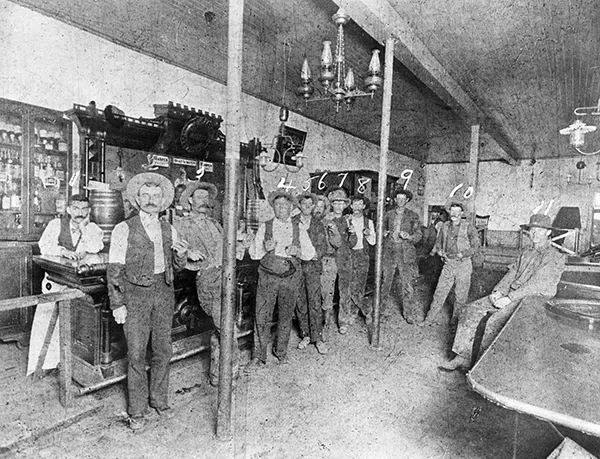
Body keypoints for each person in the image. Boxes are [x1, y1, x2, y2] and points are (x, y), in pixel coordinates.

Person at [107, 173, 188, 431]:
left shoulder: (169, 229)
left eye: (156, 196)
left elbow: (177, 267)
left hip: (164, 293)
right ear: (137, 199)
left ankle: (159, 400)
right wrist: (117, 303)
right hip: (135, 296)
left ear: (163, 200)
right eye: (146, 196)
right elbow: (114, 270)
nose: (151, 201)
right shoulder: (124, 229)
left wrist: (182, 256)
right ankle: (137, 410)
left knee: (163, 350)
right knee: (137, 353)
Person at [439, 213, 566, 372]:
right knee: (470, 309)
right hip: (512, 295)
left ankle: (482, 368)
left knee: (493, 321)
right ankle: (462, 357)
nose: (534, 234)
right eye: (532, 230)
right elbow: (511, 273)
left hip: (531, 301)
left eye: (539, 230)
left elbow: (536, 285)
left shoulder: (555, 257)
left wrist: (509, 298)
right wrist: (498, 291)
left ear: (548, 233)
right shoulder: (526, 252)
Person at [174, 181, 245, 386]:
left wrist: (239, 244)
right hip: (207, 279)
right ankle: (228, 375)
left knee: (221, 328)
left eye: (206, 197)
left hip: (225, 276)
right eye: (199, 197)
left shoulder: (215, 223)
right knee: (227, 327)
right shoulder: (182, 224)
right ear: (189, 200)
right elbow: (172, 246)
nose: (204, 201)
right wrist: (187, 252)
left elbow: (225, 247)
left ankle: (216, 374)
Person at [28, 194, 104, 375]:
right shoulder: (56, 224)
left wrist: (84, 228)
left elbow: (95, 247)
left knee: (75, 322)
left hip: (76, 282)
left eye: (84, 209)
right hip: (55, 279)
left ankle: (67, 365)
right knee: (46, 320)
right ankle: (42, 366)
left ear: (89, 211)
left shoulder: (92, 228)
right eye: (76, 208)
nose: (80, 212)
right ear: (69, 209)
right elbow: (44, 246)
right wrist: (63, 251)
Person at [247, 189, 315, 370]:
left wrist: (298, 252)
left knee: (285, 315)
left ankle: (281, 352)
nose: (281, 208)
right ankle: (259, 357)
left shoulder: (298, 227)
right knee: (262, 316)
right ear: (273, 207)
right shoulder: (265, 226)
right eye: (278, 205)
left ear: (291, 207)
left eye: (285, 205)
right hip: (268, 276)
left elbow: (310, 254)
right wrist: (264, 247)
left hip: (290, 277)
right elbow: (254, 254)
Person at [424, 202, 480, 325]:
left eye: (457, 211)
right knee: (439, 292)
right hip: (448, 264)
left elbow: (476, 246)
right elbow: (438, 243)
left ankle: (455, 321)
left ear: (462, 213)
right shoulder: (444, 226)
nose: (454, 214)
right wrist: (439, 252)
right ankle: (429, 319)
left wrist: (463, 254)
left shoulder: (469, 227)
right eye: (452, 211)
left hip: (463, 265)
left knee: (461, 296)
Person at [294, 192, 329, 355]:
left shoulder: (318, 223)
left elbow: (323, 246)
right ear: (299, 205)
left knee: (314, 302)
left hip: (313, 267)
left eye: (310, 204)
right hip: (297, 267)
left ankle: (317, 338)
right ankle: (305, 334)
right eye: (304, 204)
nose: (307, 207)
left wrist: (317, 254)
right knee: (301, 302)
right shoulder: (293, 222)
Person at [381, 189, 423, 323]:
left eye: (402, 199)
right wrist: (384, 233)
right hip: (390, 251)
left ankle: (408, 313)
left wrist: (409, 236)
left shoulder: (413, 216)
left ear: (407, 200)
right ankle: (380, 311)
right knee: (385, 283)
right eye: (397, 198)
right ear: (394, 200)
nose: (400, 201)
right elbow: (379, 229)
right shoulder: (388, 214)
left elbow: (418, 235)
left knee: (407, 284)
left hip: (405, 252)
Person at [321, 187, 357, 335]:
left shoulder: (348, 220)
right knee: (327, 292)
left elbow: (353, 243)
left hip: (345, 259)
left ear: (345, 205)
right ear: (331, 204)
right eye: (336, 203)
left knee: (344, 291)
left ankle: (343, 321)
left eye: (342, 204)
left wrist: (353, 233)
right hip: (329, 259)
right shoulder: (326, 220)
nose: (339, 207)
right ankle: (326, 322)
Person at [345, 195, 376, 329]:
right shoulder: (346, 220)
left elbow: (373, 242)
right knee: (349, 287)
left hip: (362, 256)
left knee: (359, 286)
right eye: (354, 204)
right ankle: (367, 311)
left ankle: (353, 313)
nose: (357, 207)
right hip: (348, 256)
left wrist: (368, 233)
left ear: (364, 206)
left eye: (360, 204)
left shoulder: (368, 222)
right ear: (350, 206)